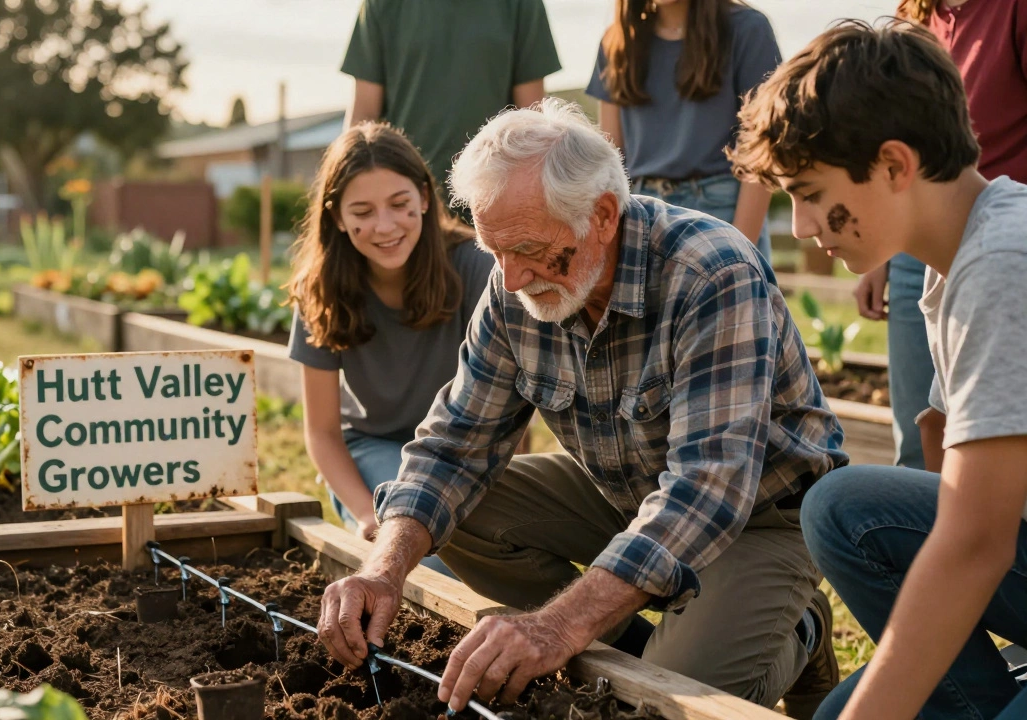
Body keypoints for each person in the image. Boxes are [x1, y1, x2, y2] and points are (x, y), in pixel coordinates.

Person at [315, 99, 849, 719]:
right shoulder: (515, 282)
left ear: (601, 216)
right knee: (459, 510)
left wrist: (556, 628)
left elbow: (707, 488)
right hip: (627, 495)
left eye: (528, 251)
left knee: (667, 705)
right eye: (495, 251)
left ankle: (799, 632)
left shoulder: (709, 273)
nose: (510, 279)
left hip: (757, 516)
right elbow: (455, 443)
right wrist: (383, 569)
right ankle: (634, 648)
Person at [730, 20, 1027, 720]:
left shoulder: (1001, 264)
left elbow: (974, 543)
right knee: (843, 506)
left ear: (895, 165)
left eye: (808, 192)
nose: (801, 226)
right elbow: (949, 473)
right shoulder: (955, 262)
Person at [285, 123, 495, 575]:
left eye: (399, 205)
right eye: (362, 211)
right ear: (338, 217)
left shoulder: (476, 268)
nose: (384, 226)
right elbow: (322, 433)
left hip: (462, 454)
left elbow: (512, 406)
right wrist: (365, 515)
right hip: (375, 451)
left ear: (423, 196)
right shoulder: (319, 290)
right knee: (427, 558)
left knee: (496, 556)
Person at [853, 0, 1027, 471]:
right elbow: (885, 135)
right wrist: (878, 256)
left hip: (1002, 245)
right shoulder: (915, 14)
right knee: (919, 431)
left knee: (985, 436)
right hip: (916, 247)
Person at [585, 0, 781, 260]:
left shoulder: (748, 29)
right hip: (642, 220)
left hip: (721, 215)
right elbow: (610, 161)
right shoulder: (617, 41)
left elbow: (762, 153)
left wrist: (739, 250)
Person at [340, 0, 561, 199]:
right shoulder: (381, 5)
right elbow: (364, 117)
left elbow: (532, 122)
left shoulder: (521, 5)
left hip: (491, 199)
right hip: (407, 202)